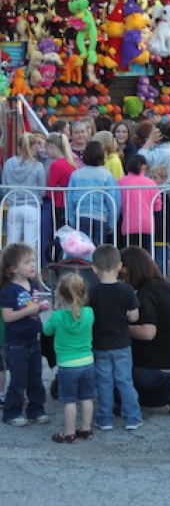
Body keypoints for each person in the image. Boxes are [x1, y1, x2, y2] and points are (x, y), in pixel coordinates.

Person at [122, 246, 170, 416]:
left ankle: (161, 394)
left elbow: (148, 332)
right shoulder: (167, 287)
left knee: (112, 371)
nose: (124, 280)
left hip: (149, 368)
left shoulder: (145, 295)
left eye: (125, 275)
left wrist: (121, 328)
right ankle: (168, 391)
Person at [89, 245, 142, 431]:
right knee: (125, 381)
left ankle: (104, 419)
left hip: (101, 345)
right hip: (122, 345)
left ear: (94, 268)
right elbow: (134, 316)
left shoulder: (93, 292)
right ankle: (132, 417)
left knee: (104, 383)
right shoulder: (126, 290)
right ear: (119, 266)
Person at [0, 243, 51, 426]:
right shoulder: (8, 290)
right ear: (13, 267)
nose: (32, 265)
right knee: (18, 379)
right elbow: (7, 316)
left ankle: (36, 409)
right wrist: (31, 311)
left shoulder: (33, 284)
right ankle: (12, 413)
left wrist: (39, 308)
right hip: (16, 342)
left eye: (34, 261)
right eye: (27, 262)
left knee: (35, 377)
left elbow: (32, 306)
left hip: (32, 339)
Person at [43, 274, 96, 443]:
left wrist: (57, 308)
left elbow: (46, 332)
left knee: (69, 401)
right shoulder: (89, 313)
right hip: (87, 362)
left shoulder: (57, 317)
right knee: (87, 398)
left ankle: (69, 432)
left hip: (67, 365)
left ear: (59, 295)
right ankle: (87, 429)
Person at [66, 141, 121, 246]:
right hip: (101, 216)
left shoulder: (75, 175)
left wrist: (72, 220)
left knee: (82, 251)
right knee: (98, 252)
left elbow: (69, 200)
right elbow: (113, 201)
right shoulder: (107, 175)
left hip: (81, 216)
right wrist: (112, 223)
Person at [2, 134, 46, 250]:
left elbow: (4, 188)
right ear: (33, 147)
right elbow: (42, 192)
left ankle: (8, 266)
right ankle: (33, 267)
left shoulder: (9, 163)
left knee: (11, 242)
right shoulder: (38, 166)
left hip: (14, 206)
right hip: (32, 206)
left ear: (18, 148)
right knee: (31, 243)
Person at [118, 155, 162, 252]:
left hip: (128, 225)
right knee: (145, 256)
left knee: (129, 255)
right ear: (144, 167)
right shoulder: (151, 183)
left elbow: (118, 204)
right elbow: (157, 207)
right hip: (147, 225)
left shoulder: (120, 182)